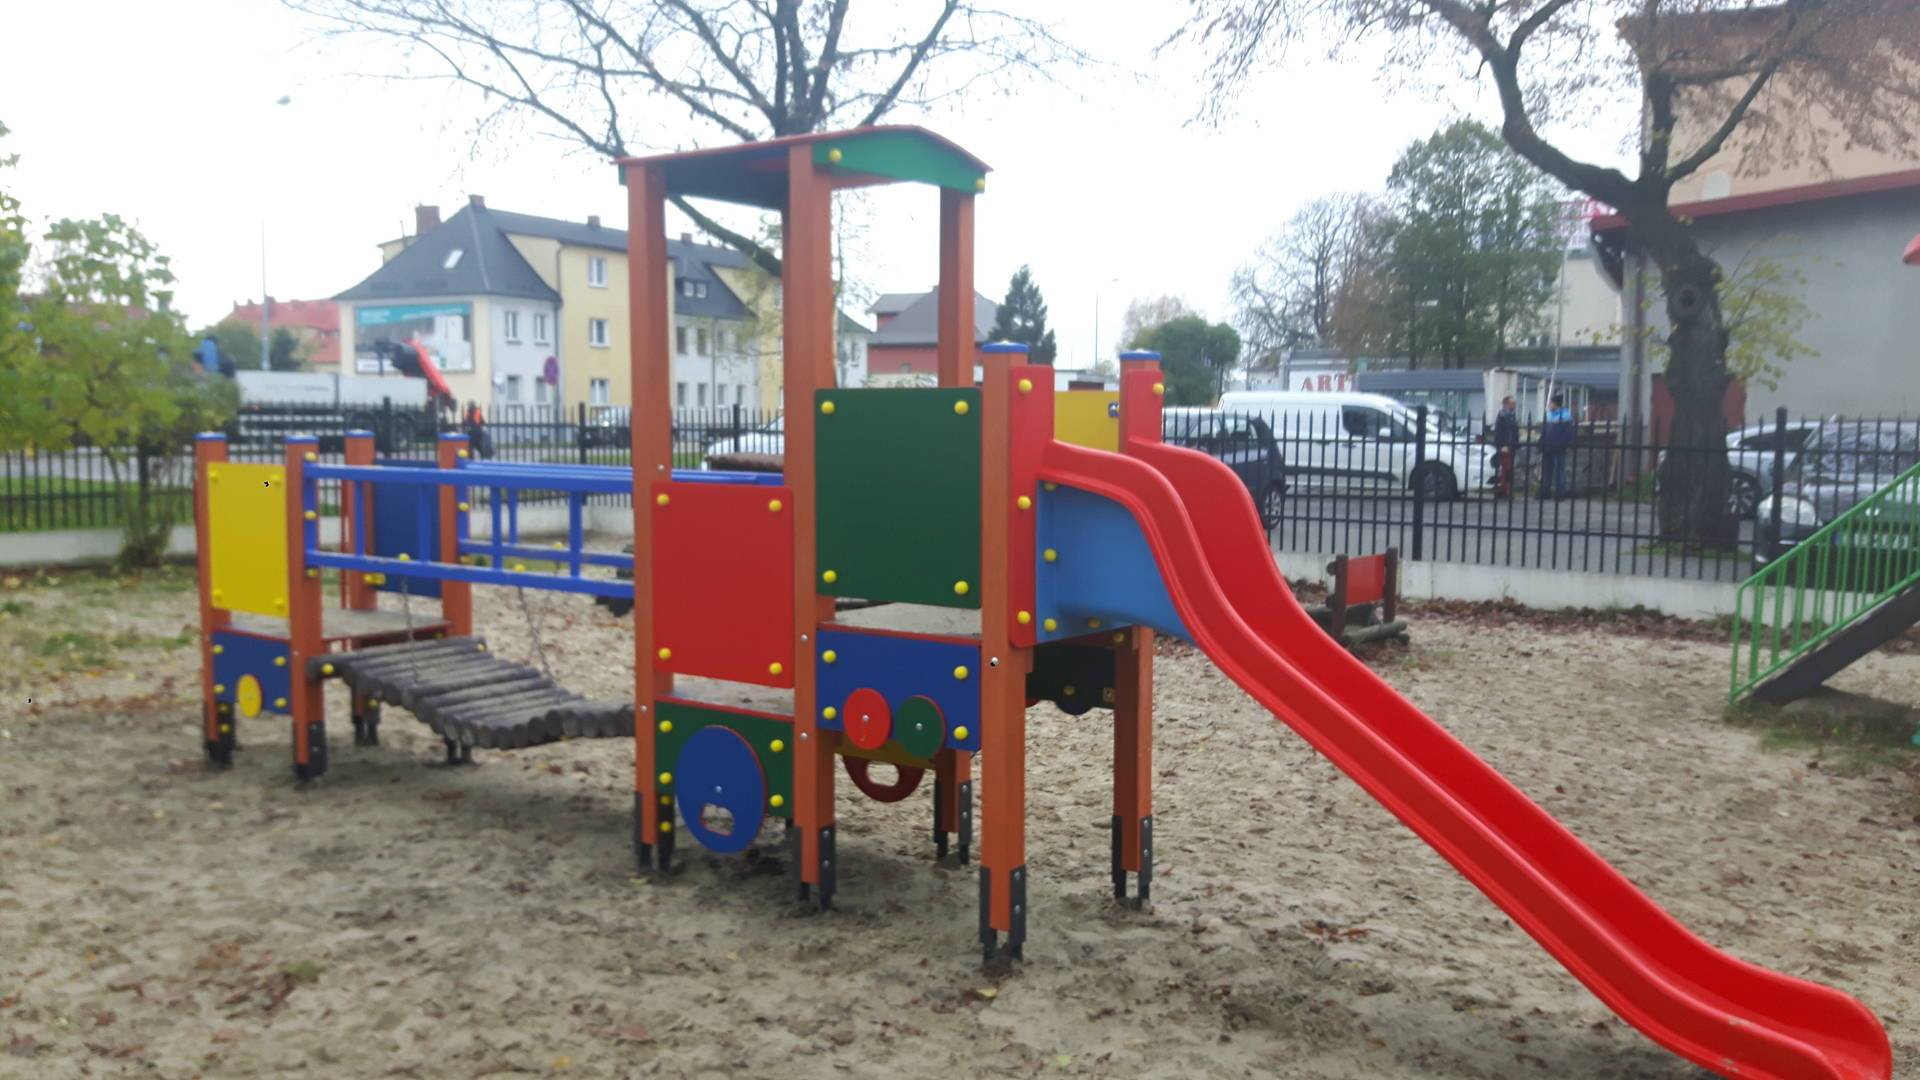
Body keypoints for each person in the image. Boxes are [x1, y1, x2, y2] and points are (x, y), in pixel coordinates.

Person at [1538, 393, 1575, 500]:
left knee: (1559, 471)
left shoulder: (1565, 415)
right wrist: (1541, 442)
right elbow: (1544, 430)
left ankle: (1560, 493)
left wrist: (1563, 444)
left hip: (1558, 447)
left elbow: (1568, 433)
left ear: (1556, 404)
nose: (1549, 405)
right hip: (1547, 447)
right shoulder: (1548, 414)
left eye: (1551, 403)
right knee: (1546, 471)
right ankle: (1545, 492)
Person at [1491, 395, 1520, 499]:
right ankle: (1502, 491)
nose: (1514, 406)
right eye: (1512, 404)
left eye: (1514, 404)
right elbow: (1499, 433)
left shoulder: (1511, 416)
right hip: (1505, 446)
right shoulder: (1503, 416)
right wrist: (1501, 446)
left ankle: (1505, 490)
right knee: (1505, 470)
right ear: (1506, 404)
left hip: (1511, 446)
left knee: (1508, 470)